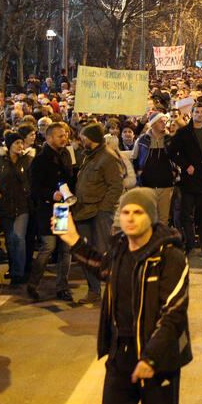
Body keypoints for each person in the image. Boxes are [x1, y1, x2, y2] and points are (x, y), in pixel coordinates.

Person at [54, 188, 192, 404]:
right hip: (121, 356)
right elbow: (104, 268)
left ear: (151, 217)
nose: (129, 217)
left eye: (137, 212)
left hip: (158, 360)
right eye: (125, 212)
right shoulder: (120, 247)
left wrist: (150, 359)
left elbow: (173, 313)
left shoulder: (171, 256)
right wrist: (74, 239)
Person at [74, 122, 124, 302]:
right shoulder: (89, 156)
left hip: (100, 213)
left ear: (92, 139)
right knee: (87, 253)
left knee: (102, 253)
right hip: (84, 211)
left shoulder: (108, 157)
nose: (81, 140)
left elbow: (117, 185)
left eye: (84, 137)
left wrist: (105, 208)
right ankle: (94, 292)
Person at [27, 120, 74, 303]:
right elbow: (34, 188)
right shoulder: (39, 160)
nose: (65, 138)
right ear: (49, 138)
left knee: (65, 249)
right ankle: (33, 283)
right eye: (61, 136)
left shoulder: (66, 155)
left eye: (65, 135)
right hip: (47, 209)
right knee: (48, 246)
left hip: (63, 208)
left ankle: (62, 287)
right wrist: (51, 194)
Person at [169, 101, 202, 256]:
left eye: (201, 112)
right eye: (197, 112)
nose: (199, 114)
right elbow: (173, 152)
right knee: (186, 213)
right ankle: (190, 242)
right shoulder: (183, 132)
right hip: (190, 178)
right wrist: (185, 165)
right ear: (192, 114)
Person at [0, 131, 32, 286]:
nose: (20, 146)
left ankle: (18, 273)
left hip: (22, 205)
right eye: (16, 143)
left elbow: (30, 180)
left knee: (18, 238)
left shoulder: (27, 160)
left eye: (21, 143)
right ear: (9, 145)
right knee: (10, 240)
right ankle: (13, 271)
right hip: (5, 206)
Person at [133, 111, 177, 227]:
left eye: (164, 121)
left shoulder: (170, 140)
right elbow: (134, 158)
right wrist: (139, 173)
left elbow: (176, 158)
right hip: (147, 184)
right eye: (160, 121)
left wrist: (174, 172)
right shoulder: (142, 140)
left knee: (163, 218)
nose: (164, 123)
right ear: (153, 124)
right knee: (148, 217)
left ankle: (162, 242)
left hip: (165, 184)